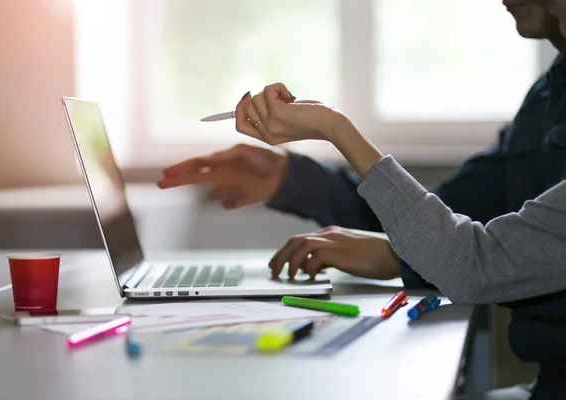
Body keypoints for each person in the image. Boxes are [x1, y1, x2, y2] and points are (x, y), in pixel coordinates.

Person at [158, 2, 566, 398]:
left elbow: (475, 262)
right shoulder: (549, 95)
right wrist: (291, 177)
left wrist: (335, 128)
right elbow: (431, 225)